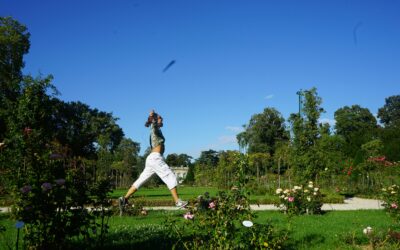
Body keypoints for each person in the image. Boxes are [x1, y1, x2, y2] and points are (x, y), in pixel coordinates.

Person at [119, 110, 187, 213]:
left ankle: (124, 199)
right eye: (160, 119)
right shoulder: (154, 128)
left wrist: (156, 118)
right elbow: (156, 123)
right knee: (170, 176)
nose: (162, 120)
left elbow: (158, 123)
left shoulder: (157, 129)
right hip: (155, 158)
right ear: (155, 121)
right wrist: (153, 116)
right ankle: (177, 201)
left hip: (152, 158)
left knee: (141, 180)